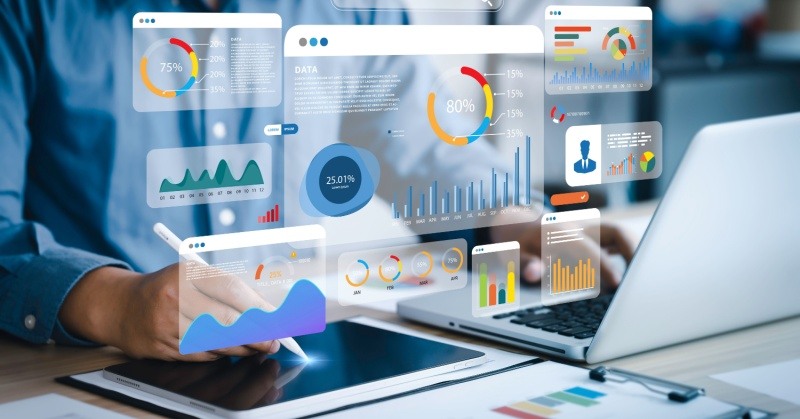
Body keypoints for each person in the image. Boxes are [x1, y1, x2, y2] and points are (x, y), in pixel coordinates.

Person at [0, 0, 634, 361]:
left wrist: (510, 218)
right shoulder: (29, 14)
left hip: (282, 366)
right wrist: (116, 303)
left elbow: (416, 140)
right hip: (76, 369)